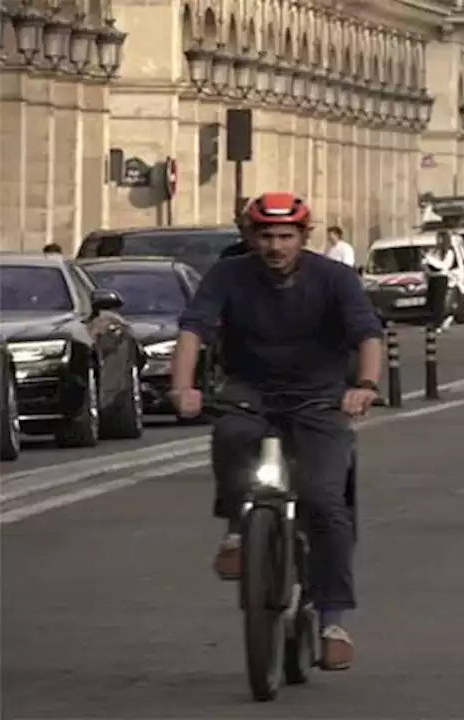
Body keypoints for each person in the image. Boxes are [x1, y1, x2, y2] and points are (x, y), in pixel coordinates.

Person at [169, 191, 384, 670]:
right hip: (250, 392)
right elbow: (194, 328)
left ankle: (332, 620)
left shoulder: (334, 278)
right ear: (249, 237)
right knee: (231, 435)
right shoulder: (228, 275)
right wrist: (182, 387)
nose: (275, 246)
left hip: (320, 399)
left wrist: (364, 385)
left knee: (325, 501)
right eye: (264, 235)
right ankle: (236, 533)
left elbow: (366, 332)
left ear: (304, 237)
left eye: (286, 236)